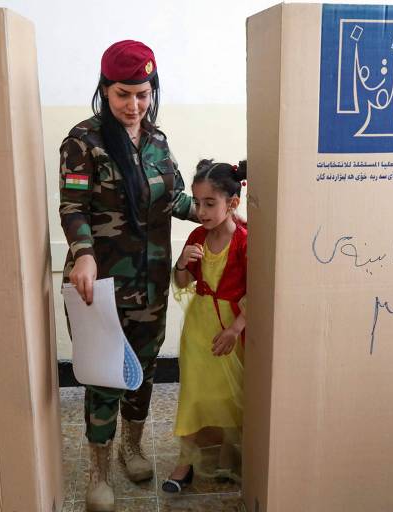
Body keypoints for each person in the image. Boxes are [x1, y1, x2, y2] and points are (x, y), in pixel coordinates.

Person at [58, 40, 197, 512]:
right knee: (104, 376)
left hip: (151, 281)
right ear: (104, 90)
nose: (134, 105)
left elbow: (175, 198)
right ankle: (98, 468)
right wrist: (82, 254)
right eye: (123, 94)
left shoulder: (157, 140)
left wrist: (218, 214)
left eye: (142, 94)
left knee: (143, 370)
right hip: (97, 284)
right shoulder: (83, 142)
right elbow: (72, 206)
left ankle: (131, 448)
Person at [161, 160, 248, 494]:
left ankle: (228, 455)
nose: (201, 211)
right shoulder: (197, 235)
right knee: (194, 393)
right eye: (197, 203)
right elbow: (183, 282)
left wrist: (236, 329)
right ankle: (184, 463)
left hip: (231, 328)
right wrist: (182, 262)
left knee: (230, 393)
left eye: (210, 203)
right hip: (199, 327)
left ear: (233, 203)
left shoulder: (243, 241)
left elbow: (256, 291)